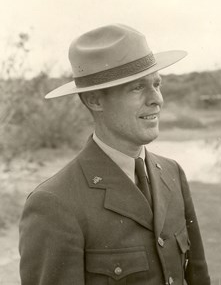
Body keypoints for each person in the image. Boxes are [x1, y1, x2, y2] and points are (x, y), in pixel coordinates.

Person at [19, 24, 211, 285]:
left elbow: (197, 275)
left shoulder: (172, 173)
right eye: (137, 88)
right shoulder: (55, 203)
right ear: (95, 100)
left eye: (157, 84)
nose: (156, 99)